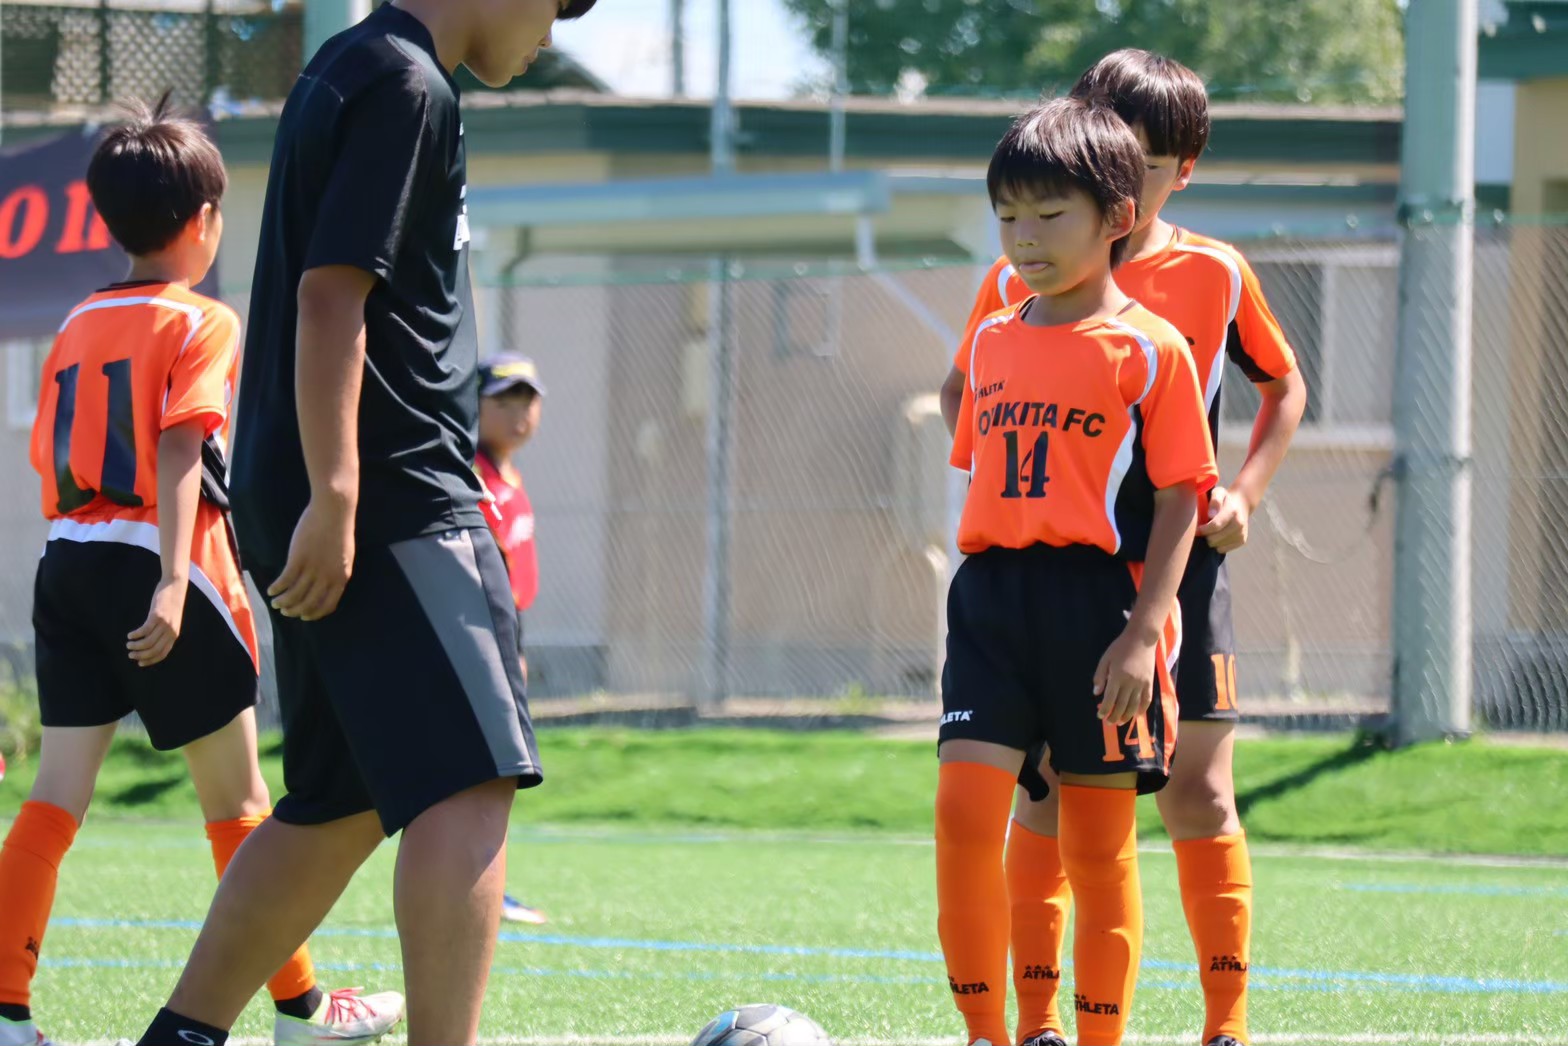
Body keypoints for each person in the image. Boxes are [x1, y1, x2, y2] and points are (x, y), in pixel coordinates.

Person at [130, 2, 598, 1043]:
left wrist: (322, 493)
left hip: (319, 487)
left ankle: (181, 1036)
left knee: (336, 801)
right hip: (389, 490)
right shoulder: (405, 82)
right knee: (471, 777)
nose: (554, 30)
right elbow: (330, 298)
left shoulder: (354, 65)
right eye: (559, 3)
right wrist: (337, 494)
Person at [0, 94, 402, 1046]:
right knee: (241, 806)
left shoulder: (77, 321)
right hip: (159, 563)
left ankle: (6, 1013)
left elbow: (50, 452)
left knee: (53, 802)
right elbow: (182, 448)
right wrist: (176, 580)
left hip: (67, 560)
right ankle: (302, 1010)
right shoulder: (204, 320)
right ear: (207, 221)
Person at [940, 50, 1309, 1046]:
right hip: (1050, 576)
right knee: (1044, 796)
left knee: (1199, 790)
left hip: (1169, 571)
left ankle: (1225, 1022)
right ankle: (1033, 1023)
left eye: (1142, 161)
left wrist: (1242, 494)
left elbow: (1283, 386)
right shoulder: (1015, 276)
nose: (1119, 173)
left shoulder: (1210, 274)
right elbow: (967, 393)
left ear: (1179, 170)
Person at [474, 355, 549, 927]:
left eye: (527, 400)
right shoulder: (473, 476)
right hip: (481, 640)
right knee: (486, 769)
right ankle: (479, 886)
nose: (519, 413)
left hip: (507, 635)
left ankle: (486, 885)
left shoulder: (510, 476)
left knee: (496, 769)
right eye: (503, 401)